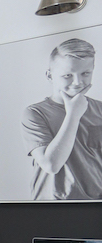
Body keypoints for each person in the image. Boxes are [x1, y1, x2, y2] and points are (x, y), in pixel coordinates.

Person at [22, 37, 102, 200]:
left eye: (85, 73)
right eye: (67, 75)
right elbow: (51, 165)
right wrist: (73, 114)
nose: (78, 82)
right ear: (50, 76)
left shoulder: (100, 109)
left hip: (94, 204)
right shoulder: (35, 113)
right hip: (52, 207)